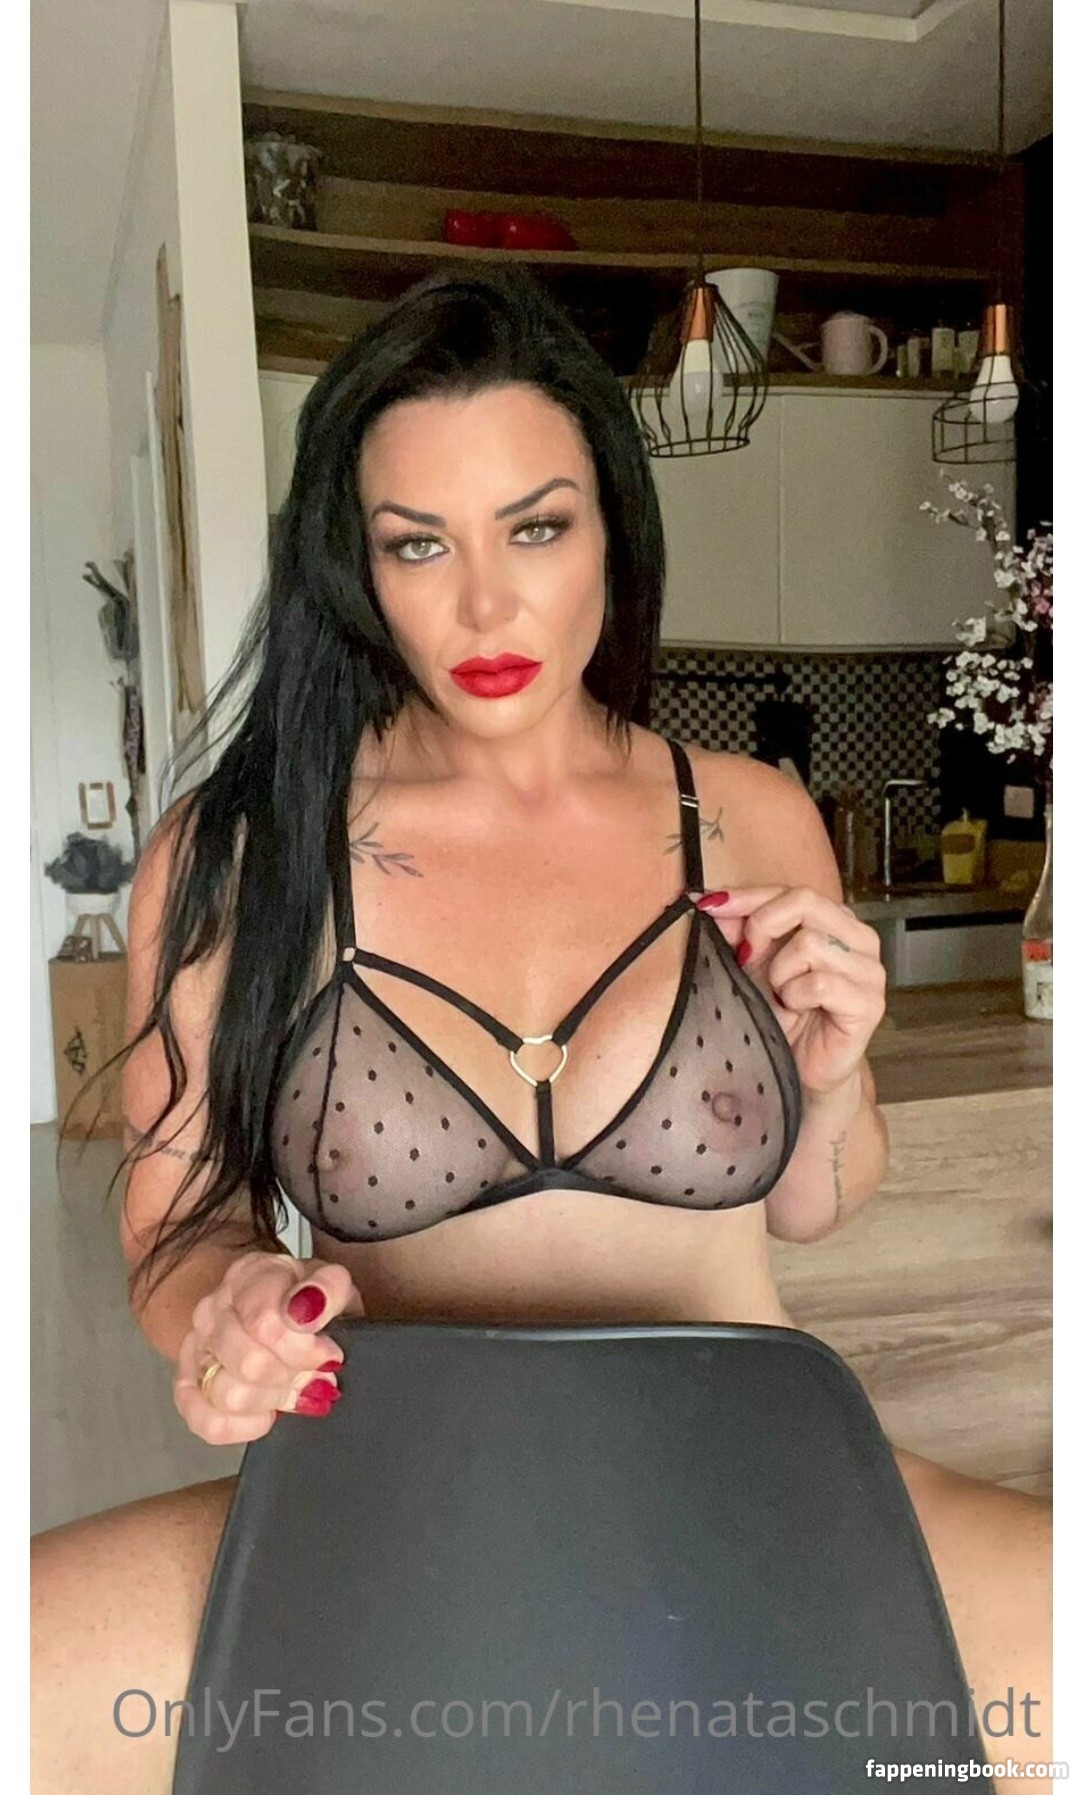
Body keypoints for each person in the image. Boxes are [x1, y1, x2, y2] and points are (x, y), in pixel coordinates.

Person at [31, 270, 1050, 1793]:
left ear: (612, 531)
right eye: (418, 544)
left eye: (536, 528)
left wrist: (832, 1084)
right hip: (402, 1501)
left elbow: (814, 1204)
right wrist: (231, 1308)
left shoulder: (753, 815)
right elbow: (178, 1232)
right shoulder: (246, 850)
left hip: (758, 1472)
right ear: (352, 563)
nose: (486, 606)